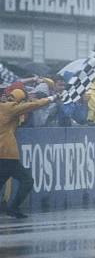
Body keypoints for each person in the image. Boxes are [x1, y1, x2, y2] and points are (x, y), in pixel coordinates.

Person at [0, 88, 55, 218]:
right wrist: (50, 99)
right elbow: (33, 106)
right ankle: (13, 208)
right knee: (27, 181)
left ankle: (11, 208)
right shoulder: (9, 107)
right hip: (7, 153)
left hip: (4, 154)